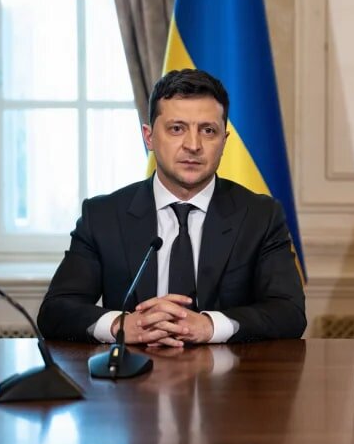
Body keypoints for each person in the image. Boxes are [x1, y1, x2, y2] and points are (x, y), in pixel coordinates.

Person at [38, 69, 306, 345]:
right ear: (149, 137)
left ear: (224, 142)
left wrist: (211, 325)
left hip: (229, 371)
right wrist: (121, 325)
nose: (193, 145)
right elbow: (56, 311)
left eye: (208, 131)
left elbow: (289, 312)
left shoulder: (260, 216)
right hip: (133, 370)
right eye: (177, 129)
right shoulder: (103, 216)